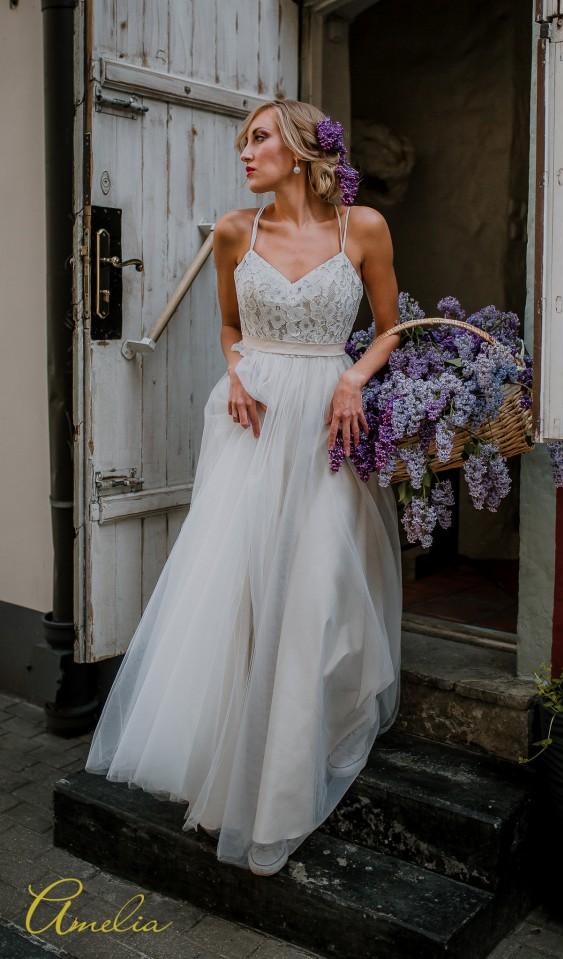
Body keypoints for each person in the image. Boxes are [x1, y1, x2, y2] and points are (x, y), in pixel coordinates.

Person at [85, 98, 403, 877]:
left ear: (299, 149)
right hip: (251, 423)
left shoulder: (363, 228)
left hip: (326, 429)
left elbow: (392, 326)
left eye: (257, 138)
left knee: (314, 589)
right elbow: (228, 325)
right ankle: (232, 774)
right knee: (241, 593)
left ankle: (288, 776)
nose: (246, 152)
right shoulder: (236, 232)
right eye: (243, 141)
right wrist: (233, 369)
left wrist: (355, 379)